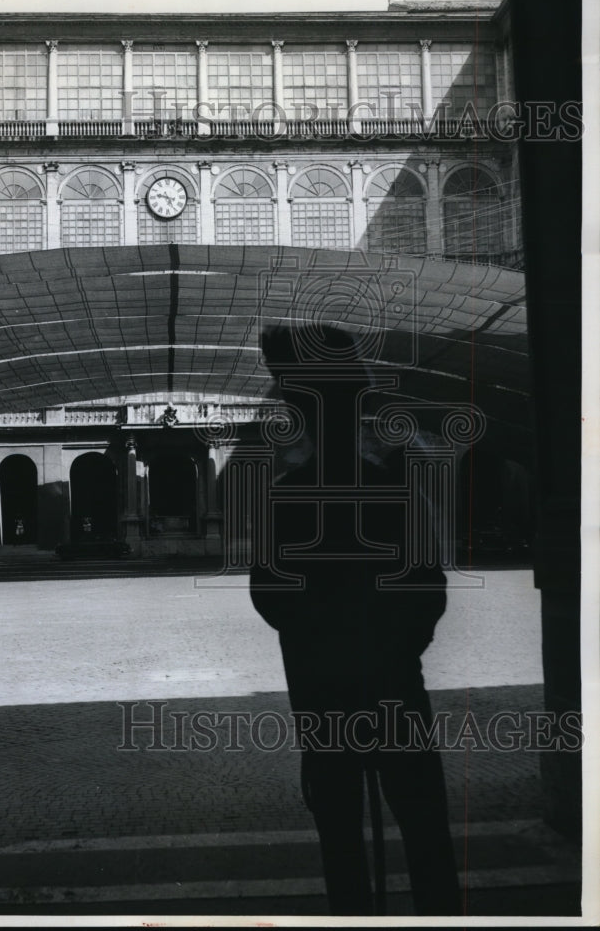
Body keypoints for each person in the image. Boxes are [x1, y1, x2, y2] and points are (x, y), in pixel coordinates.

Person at [249, 323, 461, 916]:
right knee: (424, 828)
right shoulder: (393, 488)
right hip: (393, 684)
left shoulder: (288, 495)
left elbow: (270, 595)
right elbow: (427, 590)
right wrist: (393, 648)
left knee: (341, 838)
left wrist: (321, 638)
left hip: (321, 689)